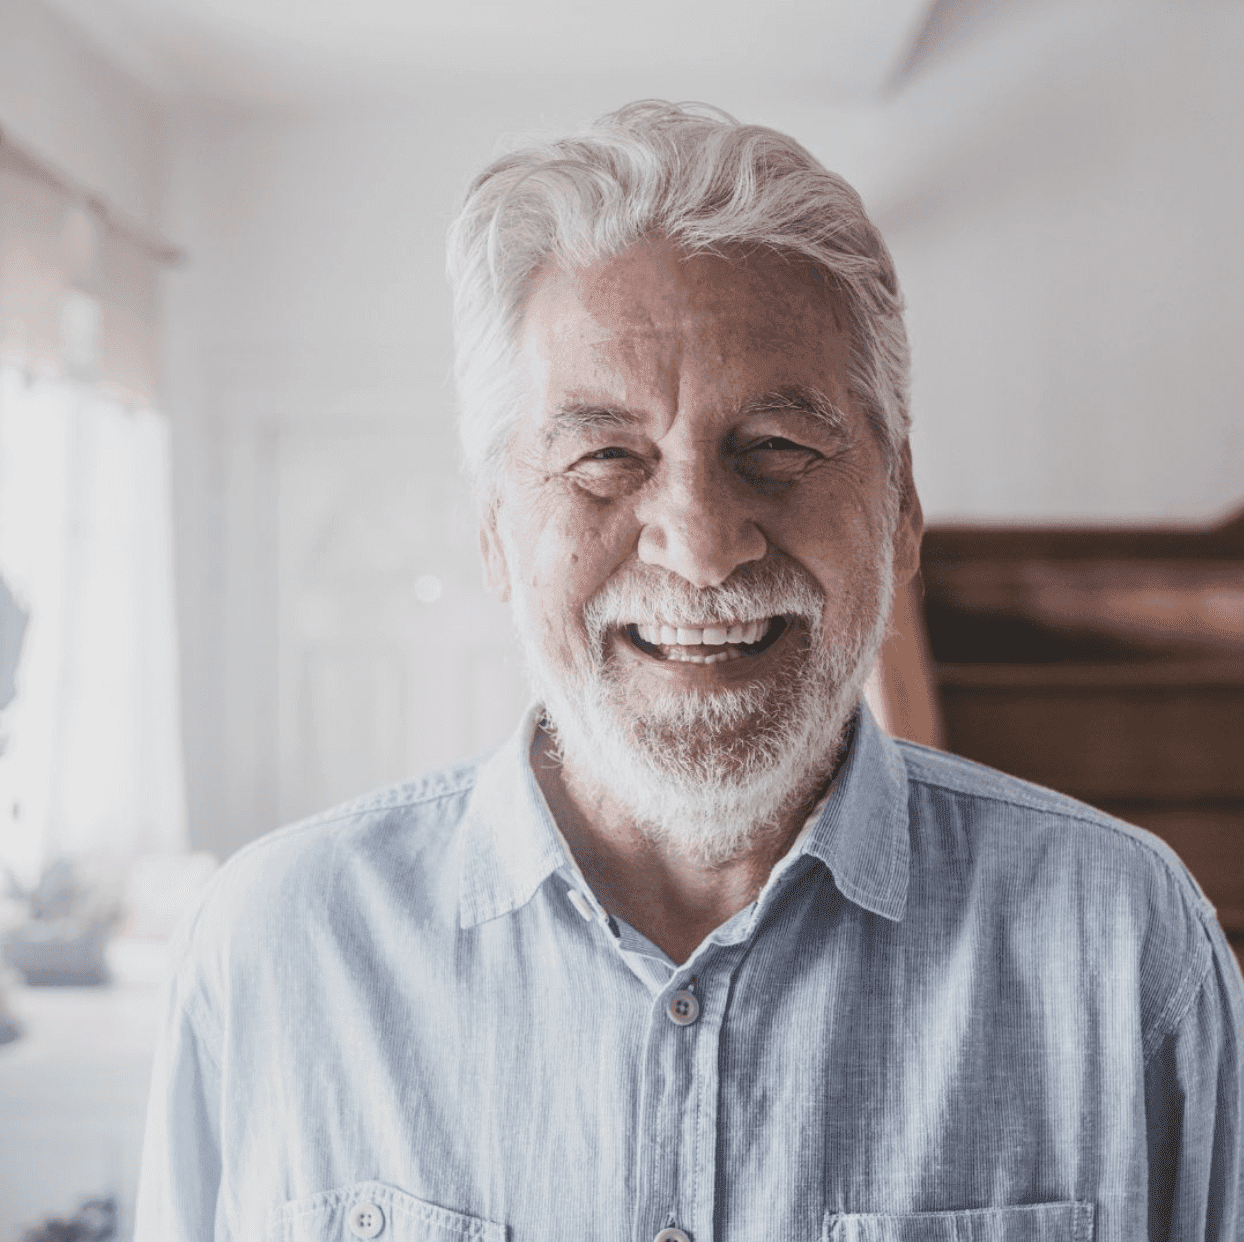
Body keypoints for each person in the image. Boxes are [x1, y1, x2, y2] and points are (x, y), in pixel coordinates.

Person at [135, 102, 1244, 1242]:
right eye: (605, 456)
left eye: (775, 447)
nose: (702, 544)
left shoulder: (1122, 943)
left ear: (899, 510)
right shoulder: (274, 945)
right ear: (493, 534)